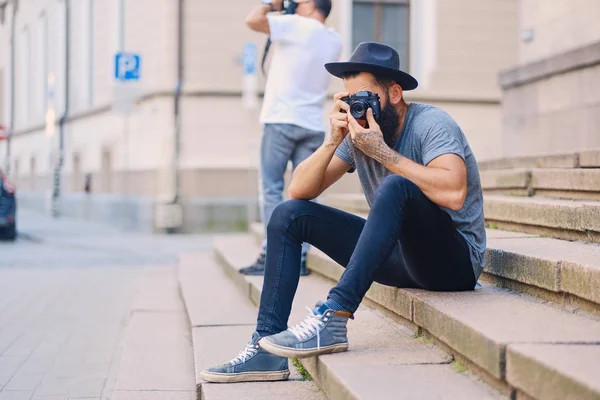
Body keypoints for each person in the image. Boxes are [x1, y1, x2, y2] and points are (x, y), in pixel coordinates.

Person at [200, 42, 486, 383]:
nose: (357, 107)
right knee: (288, 215)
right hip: (399, 259)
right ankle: (264, 350)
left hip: (453, 264)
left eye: (364, 97)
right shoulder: (358, 133)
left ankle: (334, 316)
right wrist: (332, 139)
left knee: (395, 186)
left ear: (394, 93)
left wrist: (384, 154)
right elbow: (299, 191)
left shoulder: (431, 123)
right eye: (349, 99)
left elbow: (454, 192)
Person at [240, 0, 342, 276]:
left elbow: (252, 20)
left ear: (310, 4)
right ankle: (300, 257)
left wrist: (269, 4)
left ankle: (273, 254)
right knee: (307, 192)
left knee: (272, 188)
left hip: (281, 120)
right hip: (312, 125)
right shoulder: (334, 39)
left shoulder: (295, 26)